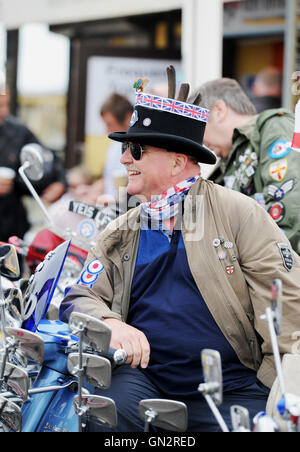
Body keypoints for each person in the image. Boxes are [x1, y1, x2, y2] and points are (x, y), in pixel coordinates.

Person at [60, 67, 300, 432]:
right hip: (146, 381)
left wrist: (274, 381)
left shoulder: (238, 212)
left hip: (232, 388)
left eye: (136, 150)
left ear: (176, 160)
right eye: (125, 149)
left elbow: (287, 297)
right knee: (100, 414)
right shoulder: (122, 228)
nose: (125, 159)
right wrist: (110, 323)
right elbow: (79, 296)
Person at [192, 77, 300, 254]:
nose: (201, 142)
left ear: (219, 110)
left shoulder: (274, 126)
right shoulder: (231, 158)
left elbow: (290, 208)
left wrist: (260, 267)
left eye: (199, 128)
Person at [0, 89, 67, 242]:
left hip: (12, 227)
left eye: (6, 105)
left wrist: (60, 182)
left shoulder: (18, 132)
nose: (4, 111)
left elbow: (48, 159)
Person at [100, 93, 133, 200]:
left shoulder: (142, 149)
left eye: (110, 124)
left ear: (128, 117)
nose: (107, 130)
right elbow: (108, 178)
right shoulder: (115, 145)